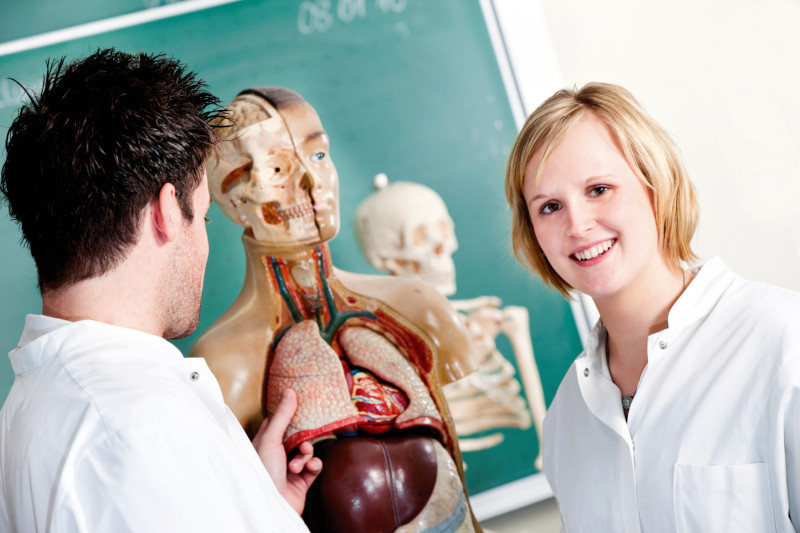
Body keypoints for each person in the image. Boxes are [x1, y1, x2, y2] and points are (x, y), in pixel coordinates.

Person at [0, 49, 320, 532]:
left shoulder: (35, 409)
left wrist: (257, 502)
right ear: (167, 211)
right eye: (205, 215)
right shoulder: (136, 436)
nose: (206, 240)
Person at [505, 82, 800, 532]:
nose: (578, 225)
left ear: (655, 186)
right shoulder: (567, 418)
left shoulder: (781, 340)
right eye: (549, 207)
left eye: (599, 189)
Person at [190, 87, 483, 532]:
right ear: (234, 201)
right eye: (277, 168)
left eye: (320, 156)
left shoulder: (418, 308)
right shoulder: (223, 363)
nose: (311, 182)